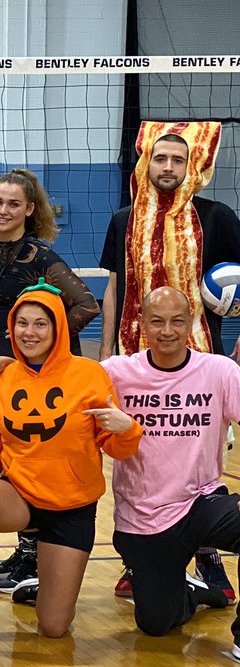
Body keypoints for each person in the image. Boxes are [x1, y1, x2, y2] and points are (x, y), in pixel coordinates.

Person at [0, 281, 141, 664]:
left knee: (54, 626)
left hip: (71, 508)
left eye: (40, 325)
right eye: (22, 324)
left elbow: (118, 448)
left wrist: (126, 429)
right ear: (12, 327)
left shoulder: (89, 376)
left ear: (58, 329)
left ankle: (43, 581)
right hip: (20, 497)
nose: (29, 333)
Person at [98, 122, 240, 599]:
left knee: (197, 454)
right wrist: (104, 354)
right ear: (146, 163)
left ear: (193, 166)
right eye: (160, 159)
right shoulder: (123, 219)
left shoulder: (216, 217)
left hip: (200, 354)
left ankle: (207, 552)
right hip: (135, 356)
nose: (168, 167)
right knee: (137, 453)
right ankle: (141, 558)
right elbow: (115, 286)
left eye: (178, 160)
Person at [0, 169, 99, 591]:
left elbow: (86, 304)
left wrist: (36, 350)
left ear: (29, 209)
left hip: (28, 370)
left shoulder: (40, 256)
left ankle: (36, 555)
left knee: (35, 446)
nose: (3, 210)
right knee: (9, 453)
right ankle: (26, 553)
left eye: (13, 204)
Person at [104, 287, 239, 648]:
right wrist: (7, 364)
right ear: (141, 323)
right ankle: (193, 592)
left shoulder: (219, 371)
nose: (167, 331)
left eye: (177, 321)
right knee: (156, 624)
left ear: (191, 320)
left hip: (201, 503)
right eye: (157, 321)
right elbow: (61, 379)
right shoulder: (117, 372)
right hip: (143, 517)